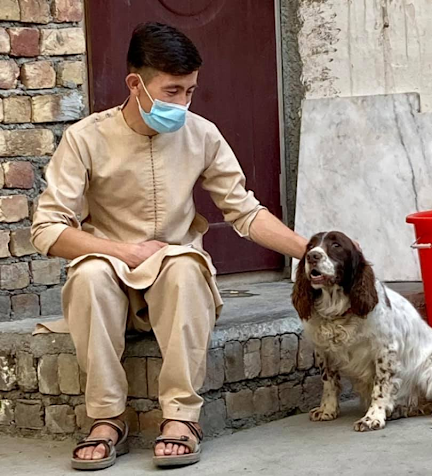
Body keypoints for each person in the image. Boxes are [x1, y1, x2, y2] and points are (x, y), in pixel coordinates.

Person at [31, 22, 307, 470]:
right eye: (173, 90)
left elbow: (245, 211)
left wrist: (311, 250)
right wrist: (123, 252)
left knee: (183, 266)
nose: (183, 103)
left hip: (175, 281)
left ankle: (181, 418)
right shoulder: (85, 138)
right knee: (88, 274)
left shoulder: (202, 134)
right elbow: (45, 228)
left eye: (191, 91)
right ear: (135, 84)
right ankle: (106, 420)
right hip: (110, 278)